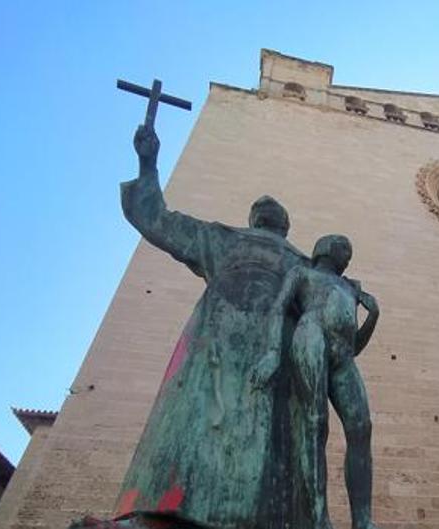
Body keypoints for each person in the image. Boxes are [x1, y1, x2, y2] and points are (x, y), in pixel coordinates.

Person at [114, 125, 309, 527]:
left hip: (250, 364)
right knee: (211, 438)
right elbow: (156, 219)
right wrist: (147, 162)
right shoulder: (247, 247)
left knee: (235, 444)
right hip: (236, 362)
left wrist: (149, 164)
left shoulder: (230, 242)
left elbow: (155, 219)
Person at [252, 234, 380, 529]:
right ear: (325, 249)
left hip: (343, 354)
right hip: (312, 337)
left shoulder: (351, 286)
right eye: (343, 248)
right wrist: (272, 353)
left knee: (361, 427)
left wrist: (372, 316)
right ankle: (317, 517)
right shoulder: (302, 273)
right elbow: (278, 309)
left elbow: (354, 345)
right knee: (314, 422)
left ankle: (363, 520)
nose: (347, 254)